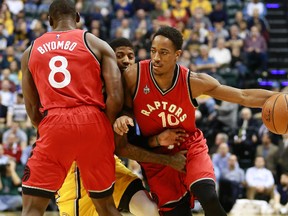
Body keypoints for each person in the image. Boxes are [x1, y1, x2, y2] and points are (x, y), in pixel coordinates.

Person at [114, 26, 278, 216]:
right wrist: (125, 116)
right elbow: (126, 107)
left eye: (163, 52)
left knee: (208, 196)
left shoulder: (192, 81)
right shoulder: (134, 74)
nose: (156, 58)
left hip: (189, 145)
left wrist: (279, 96)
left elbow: (242, 96)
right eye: (153, 51)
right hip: (155, 154)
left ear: (177, 54)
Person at [56, 37, 187, 216]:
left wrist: (157, 140)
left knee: (151, 211)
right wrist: (169, 161)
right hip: (78, 169)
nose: (126, 60)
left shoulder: (135, 91)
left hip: (110, 165)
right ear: (108, 59)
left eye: (131, 56)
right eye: (120, 55)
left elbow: (127, 143)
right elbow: (122, 147)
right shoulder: (93, 89)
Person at [20, 0, 123, 215]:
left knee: (32, 206)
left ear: (49, 20)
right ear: (77, 17)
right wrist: (105, 124)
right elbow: (115, 96)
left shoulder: (30, 51)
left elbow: (31, 106)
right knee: (105, 205)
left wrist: (48, 128)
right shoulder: (97, 43)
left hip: (54, 120)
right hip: (93, 120)